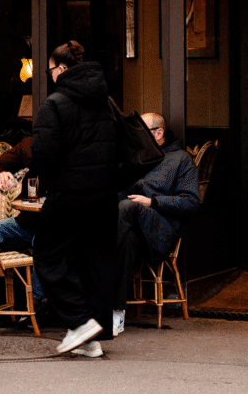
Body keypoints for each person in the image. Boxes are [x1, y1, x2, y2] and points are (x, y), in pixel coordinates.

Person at [31, 40, 118, 359]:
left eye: (51, 68)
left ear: (63, 69)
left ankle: (80, 323)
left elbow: (43, 154)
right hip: (106, 194)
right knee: (94, 259)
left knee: (47, 252)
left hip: (69, 192)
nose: (49, 74)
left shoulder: (54, 103)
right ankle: (91, 337)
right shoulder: (105, 100)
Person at [113, 111, 200, 336]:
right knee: (125, 237)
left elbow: (191, 203)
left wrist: (152, 202)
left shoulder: (181, 159)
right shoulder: (137, 158)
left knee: (128, 207)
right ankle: (116, 313)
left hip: (160, 231)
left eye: (141, 132)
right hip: (129, 231)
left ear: (158, 133)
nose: (135, 137)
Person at [0, 136, 44, 303]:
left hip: (60, 226)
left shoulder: (74, 146)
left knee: (43, 239)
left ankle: (36, 303)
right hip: (29, 222)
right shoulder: (29, 145)